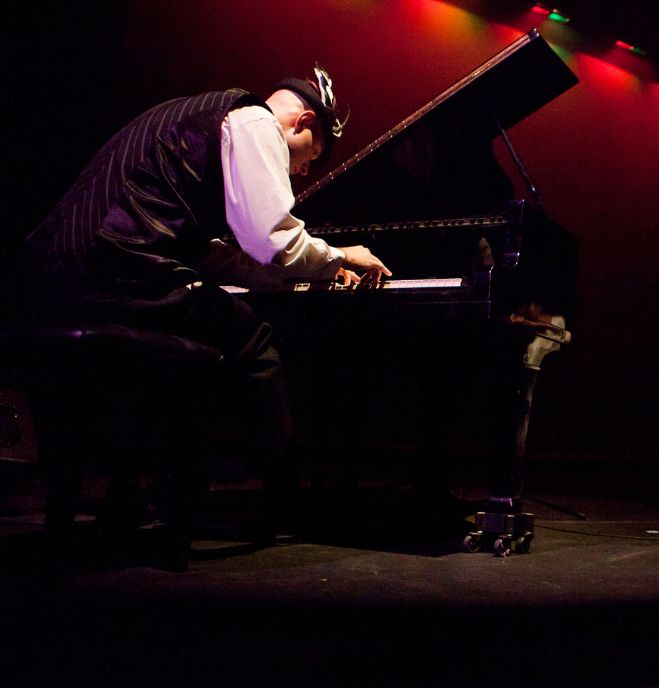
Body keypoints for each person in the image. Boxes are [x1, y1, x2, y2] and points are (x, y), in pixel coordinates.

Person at [23, 64, 391, 540]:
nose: (302, 174)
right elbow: (271, 238)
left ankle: (134, 490)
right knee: (253, 341)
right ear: (303, 123)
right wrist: (338, 254)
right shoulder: (256, 120)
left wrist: (288, 275)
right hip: (116, 266)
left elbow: (206, 251)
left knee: (188, 337)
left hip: (62, 267)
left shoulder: (205, 120)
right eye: (309, 158)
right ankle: (286, 499)